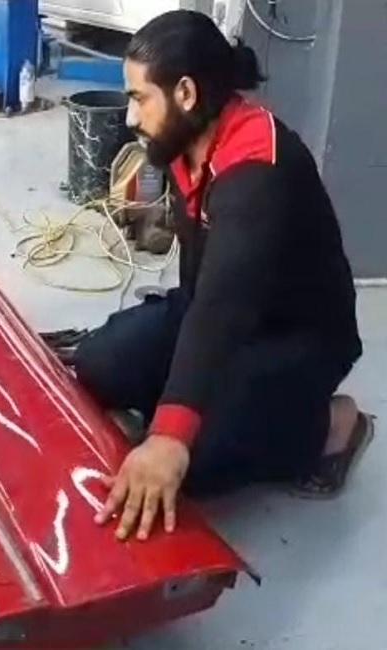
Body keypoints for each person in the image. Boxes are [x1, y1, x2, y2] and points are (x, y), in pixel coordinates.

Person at [62, 10, 373, 542]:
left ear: (185, 93)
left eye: (139, 98)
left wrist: (169, 437)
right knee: (99, 363)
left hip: (294, 336)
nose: (131, 117)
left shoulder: (257, 170)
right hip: (217, 308)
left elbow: (223, 307)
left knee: (195, 462)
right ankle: (211, 401)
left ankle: (334, 425)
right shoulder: (187, 140)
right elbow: (203, 298)